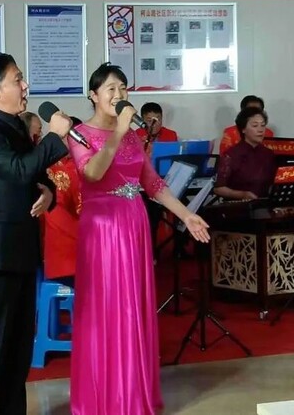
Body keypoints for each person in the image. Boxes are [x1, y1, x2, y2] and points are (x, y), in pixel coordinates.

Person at [68, 63, 210, 415]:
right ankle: (104, 397)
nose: (119, 95)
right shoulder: (79, 134)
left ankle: (131, 393)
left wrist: (186, 214)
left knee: (132, 306)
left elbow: (153, 184)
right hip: (102, 229)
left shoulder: (133, 136)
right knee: (106, 309)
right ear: (93, 96)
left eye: (123, 88)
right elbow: (93, 173)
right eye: (110, 89)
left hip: (133, 224)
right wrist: (118, 131)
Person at [0, 52, 71, 415]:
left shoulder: (15, 125)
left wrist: (49, 190)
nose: (25, 86)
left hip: (19, 250)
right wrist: (55, 137)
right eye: (18, 79)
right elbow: (17, 169)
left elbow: (34, 174)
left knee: (17, 349)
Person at [42, 117, 83, 285]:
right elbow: (59, 217)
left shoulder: (80, 165)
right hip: (70, 258)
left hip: (84, 247)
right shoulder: (53, 170)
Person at [214, 107, 277, 201]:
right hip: (238, 205)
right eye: (255, 126)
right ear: (243, 129)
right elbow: (218, 188)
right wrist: (242, 195)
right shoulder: (231, 154)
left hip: (264, 204)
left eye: (263, 125)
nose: (260, 130)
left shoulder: (268, 154)